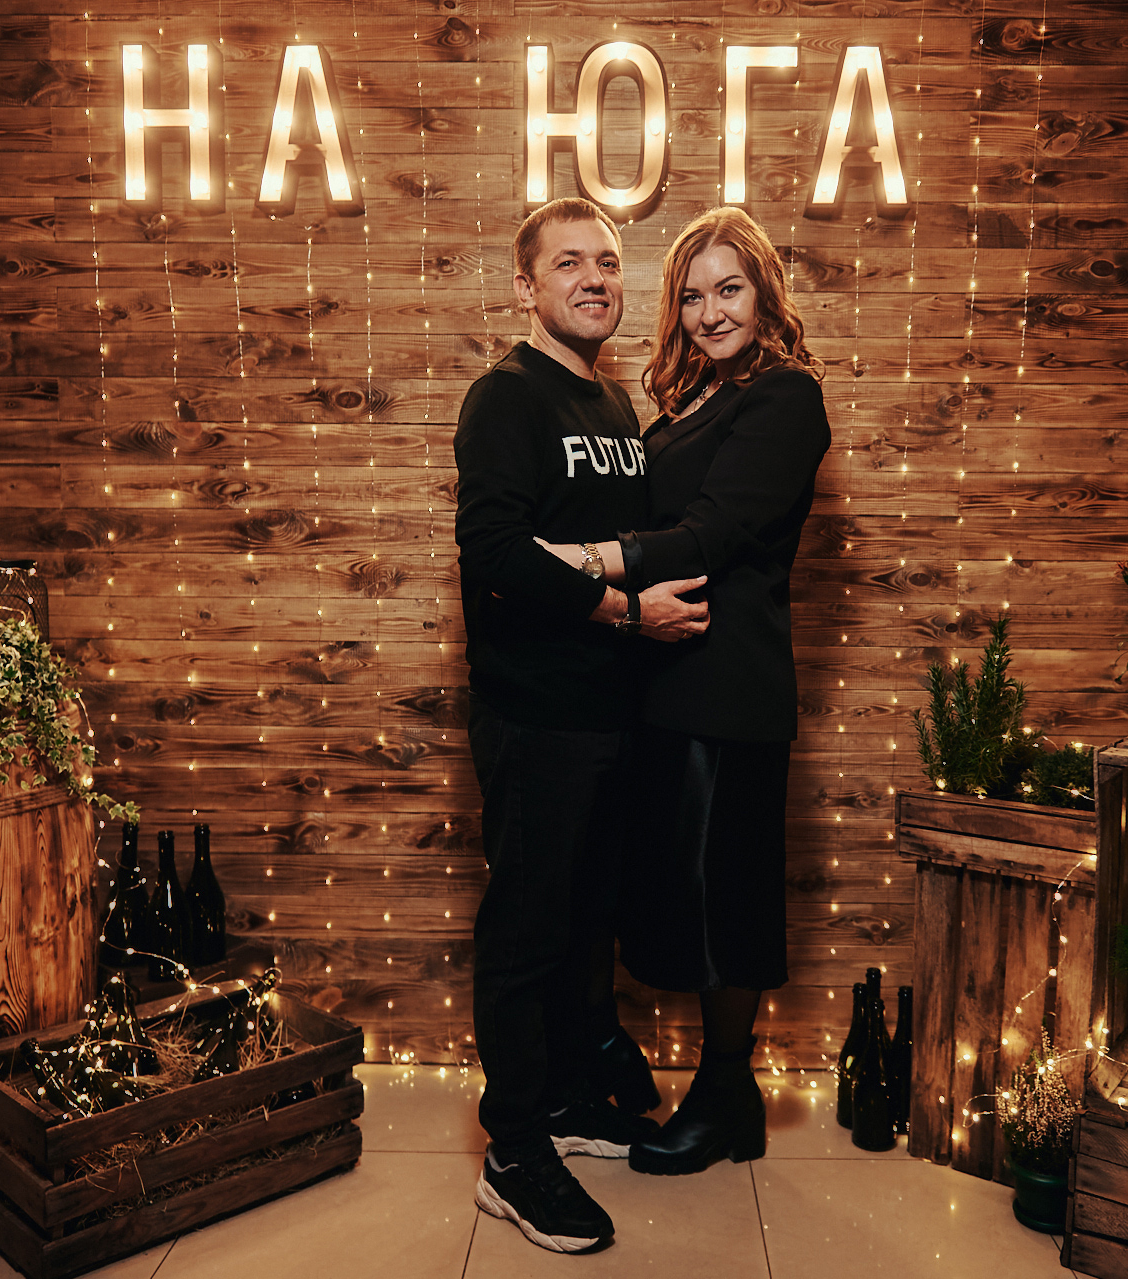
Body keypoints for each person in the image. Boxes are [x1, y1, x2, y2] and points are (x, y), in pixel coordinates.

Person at [537, 206, 830, 1177]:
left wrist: (581, 560)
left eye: (729, 289)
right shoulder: (694, 400)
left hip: (729, 687)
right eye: (693, 295)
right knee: (676, 894)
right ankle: (664, 1075)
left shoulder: (785, 398)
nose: (710, 312)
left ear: (764, 292)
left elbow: (711, 534)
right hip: (663, 681)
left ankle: (726, 1093)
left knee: (725, 897)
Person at [453, 197, 711, 1253]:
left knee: (582, 924)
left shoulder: (610, 404)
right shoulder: (505, 397)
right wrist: (622, 611)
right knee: (525, 932)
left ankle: (562, 1099)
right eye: (568, 264)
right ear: (527, 287)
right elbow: (494, 556)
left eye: (606, 262)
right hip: (535, 712)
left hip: (611, 714)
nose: (595, 279)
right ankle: (513, 1152)